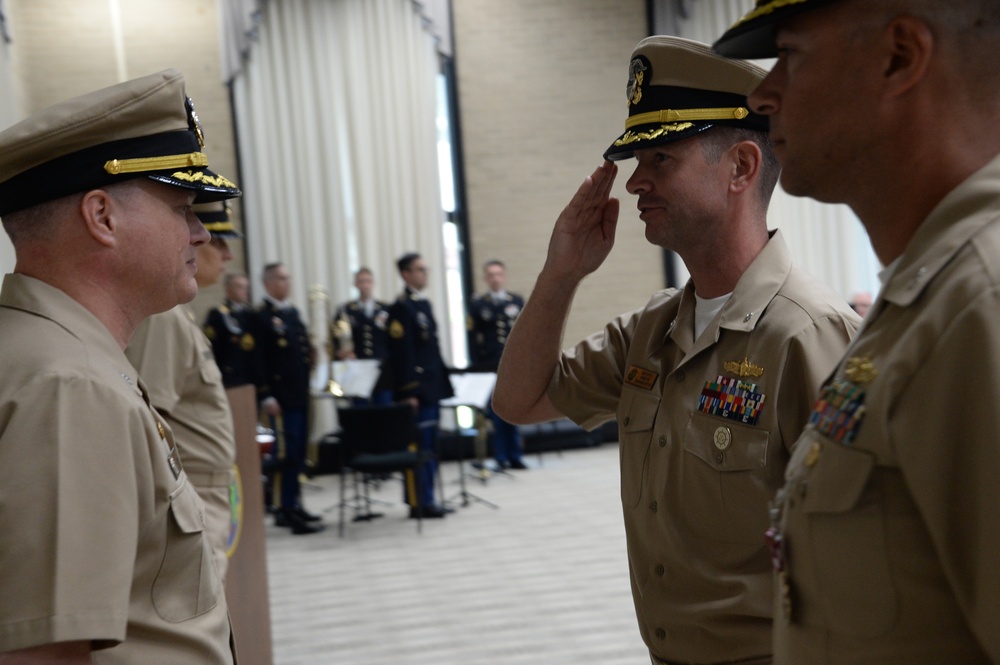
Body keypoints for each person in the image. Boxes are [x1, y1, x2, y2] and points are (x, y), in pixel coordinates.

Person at [492, 37, 860, 665]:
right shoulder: (653, 329)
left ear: (741, 167)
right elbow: (518, 401)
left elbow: (857, 558)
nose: (636, 183)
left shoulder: (808, 334)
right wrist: (561, 273)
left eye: (661, 159)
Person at [713, 1, 1000, 662]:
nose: (763, 93)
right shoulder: (929, 295)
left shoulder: (979, 304)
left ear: (899, 56)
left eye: (791, 54)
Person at [0, 69, 240, 663]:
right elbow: (47, 652)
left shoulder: (56, 355)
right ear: (102, 217)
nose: (199, 232)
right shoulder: (71, 387)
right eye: (183, 208)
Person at [125, 202, 241, 581]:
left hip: (206, 488)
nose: (225, 253)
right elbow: (151, 420)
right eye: (219, 240)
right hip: (191, 491)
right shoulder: (164, 318)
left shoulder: (178, 313)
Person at [253, 262, 322, 534]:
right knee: (285, 454)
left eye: (288, 278)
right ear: (268, 283)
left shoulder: (291, 312)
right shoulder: (261, 317)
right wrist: (265, 394)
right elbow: (258, 360)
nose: (286, 283)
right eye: (281, 279)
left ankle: (294, 503)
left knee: (299, 453)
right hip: (279, 398)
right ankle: (283, 508)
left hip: (299, 394)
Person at [387, 252, 455, 518]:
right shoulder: (401, 308)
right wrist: (409, 392)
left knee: (430, 446)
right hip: (417, 391)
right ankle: (418, 501)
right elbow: (402, 355)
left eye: (426, 269)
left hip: (431, 388)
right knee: (419, 446)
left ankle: (428, 497)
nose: (425, 274)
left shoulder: (422, 304)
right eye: (419, 270)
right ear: (406, 274)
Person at [467, 259, 527, 470]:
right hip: (490, 367)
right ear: (485, 278)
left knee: (515, 410)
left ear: (504, 276)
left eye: (498, 274)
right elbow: (473, 340)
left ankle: (516, 455)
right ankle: (500, 456)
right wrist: (476, 369)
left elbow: (526, 334)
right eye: (490, 274)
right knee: (497, 412)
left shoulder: (516, 301)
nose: (495, 278)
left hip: (514, 366)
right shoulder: (478, 305)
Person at [331, 267, 393, 405]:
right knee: (361, 412)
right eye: (361, 281)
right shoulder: (346, 310)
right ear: (355, 284)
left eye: (368, 281)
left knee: (385, 412)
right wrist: (342, 352)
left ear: (373, 283)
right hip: (357, 369)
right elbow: (337, 337)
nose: (365, 285)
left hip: (381, 371)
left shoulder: (385, 309)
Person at [205, 271, 260, 388]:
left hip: (251, 375)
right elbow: (212, 347)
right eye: (240, 287)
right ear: (228, 289)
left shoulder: (252, 314)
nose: (245, 291)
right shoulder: (218, 314)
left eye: (246, 287)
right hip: (229, 376)